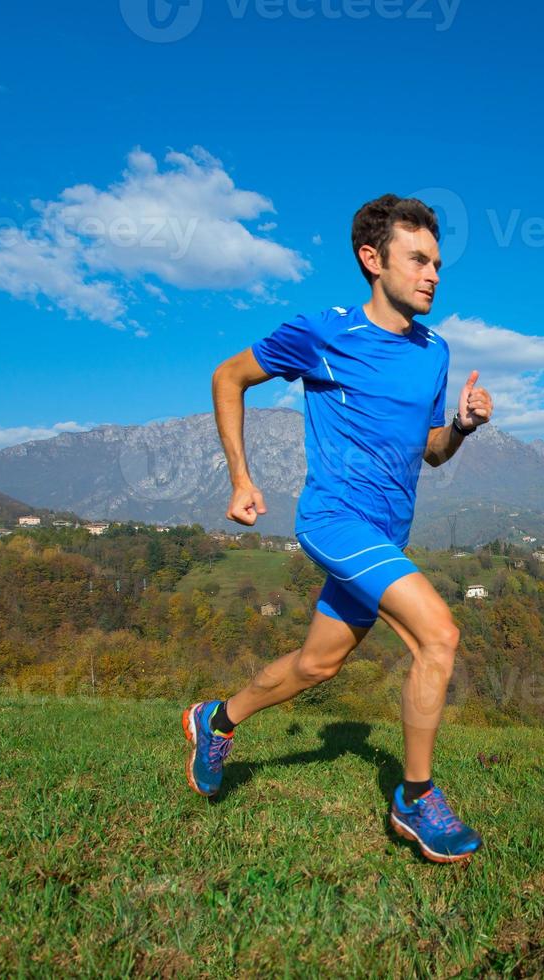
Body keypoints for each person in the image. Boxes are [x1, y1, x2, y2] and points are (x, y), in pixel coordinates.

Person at [182, 194, 492, 864]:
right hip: (333, 519)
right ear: (372, 260)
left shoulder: (434, 351)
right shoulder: (324, 333)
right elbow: (228, 377)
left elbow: (429, 451)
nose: (434, 273)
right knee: (439, 634)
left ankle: (217, 719)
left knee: (318, 663)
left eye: (438, 261)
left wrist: (461, 427)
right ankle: (415, 798)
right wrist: (241, 478)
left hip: (386, 534)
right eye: (418, 259)